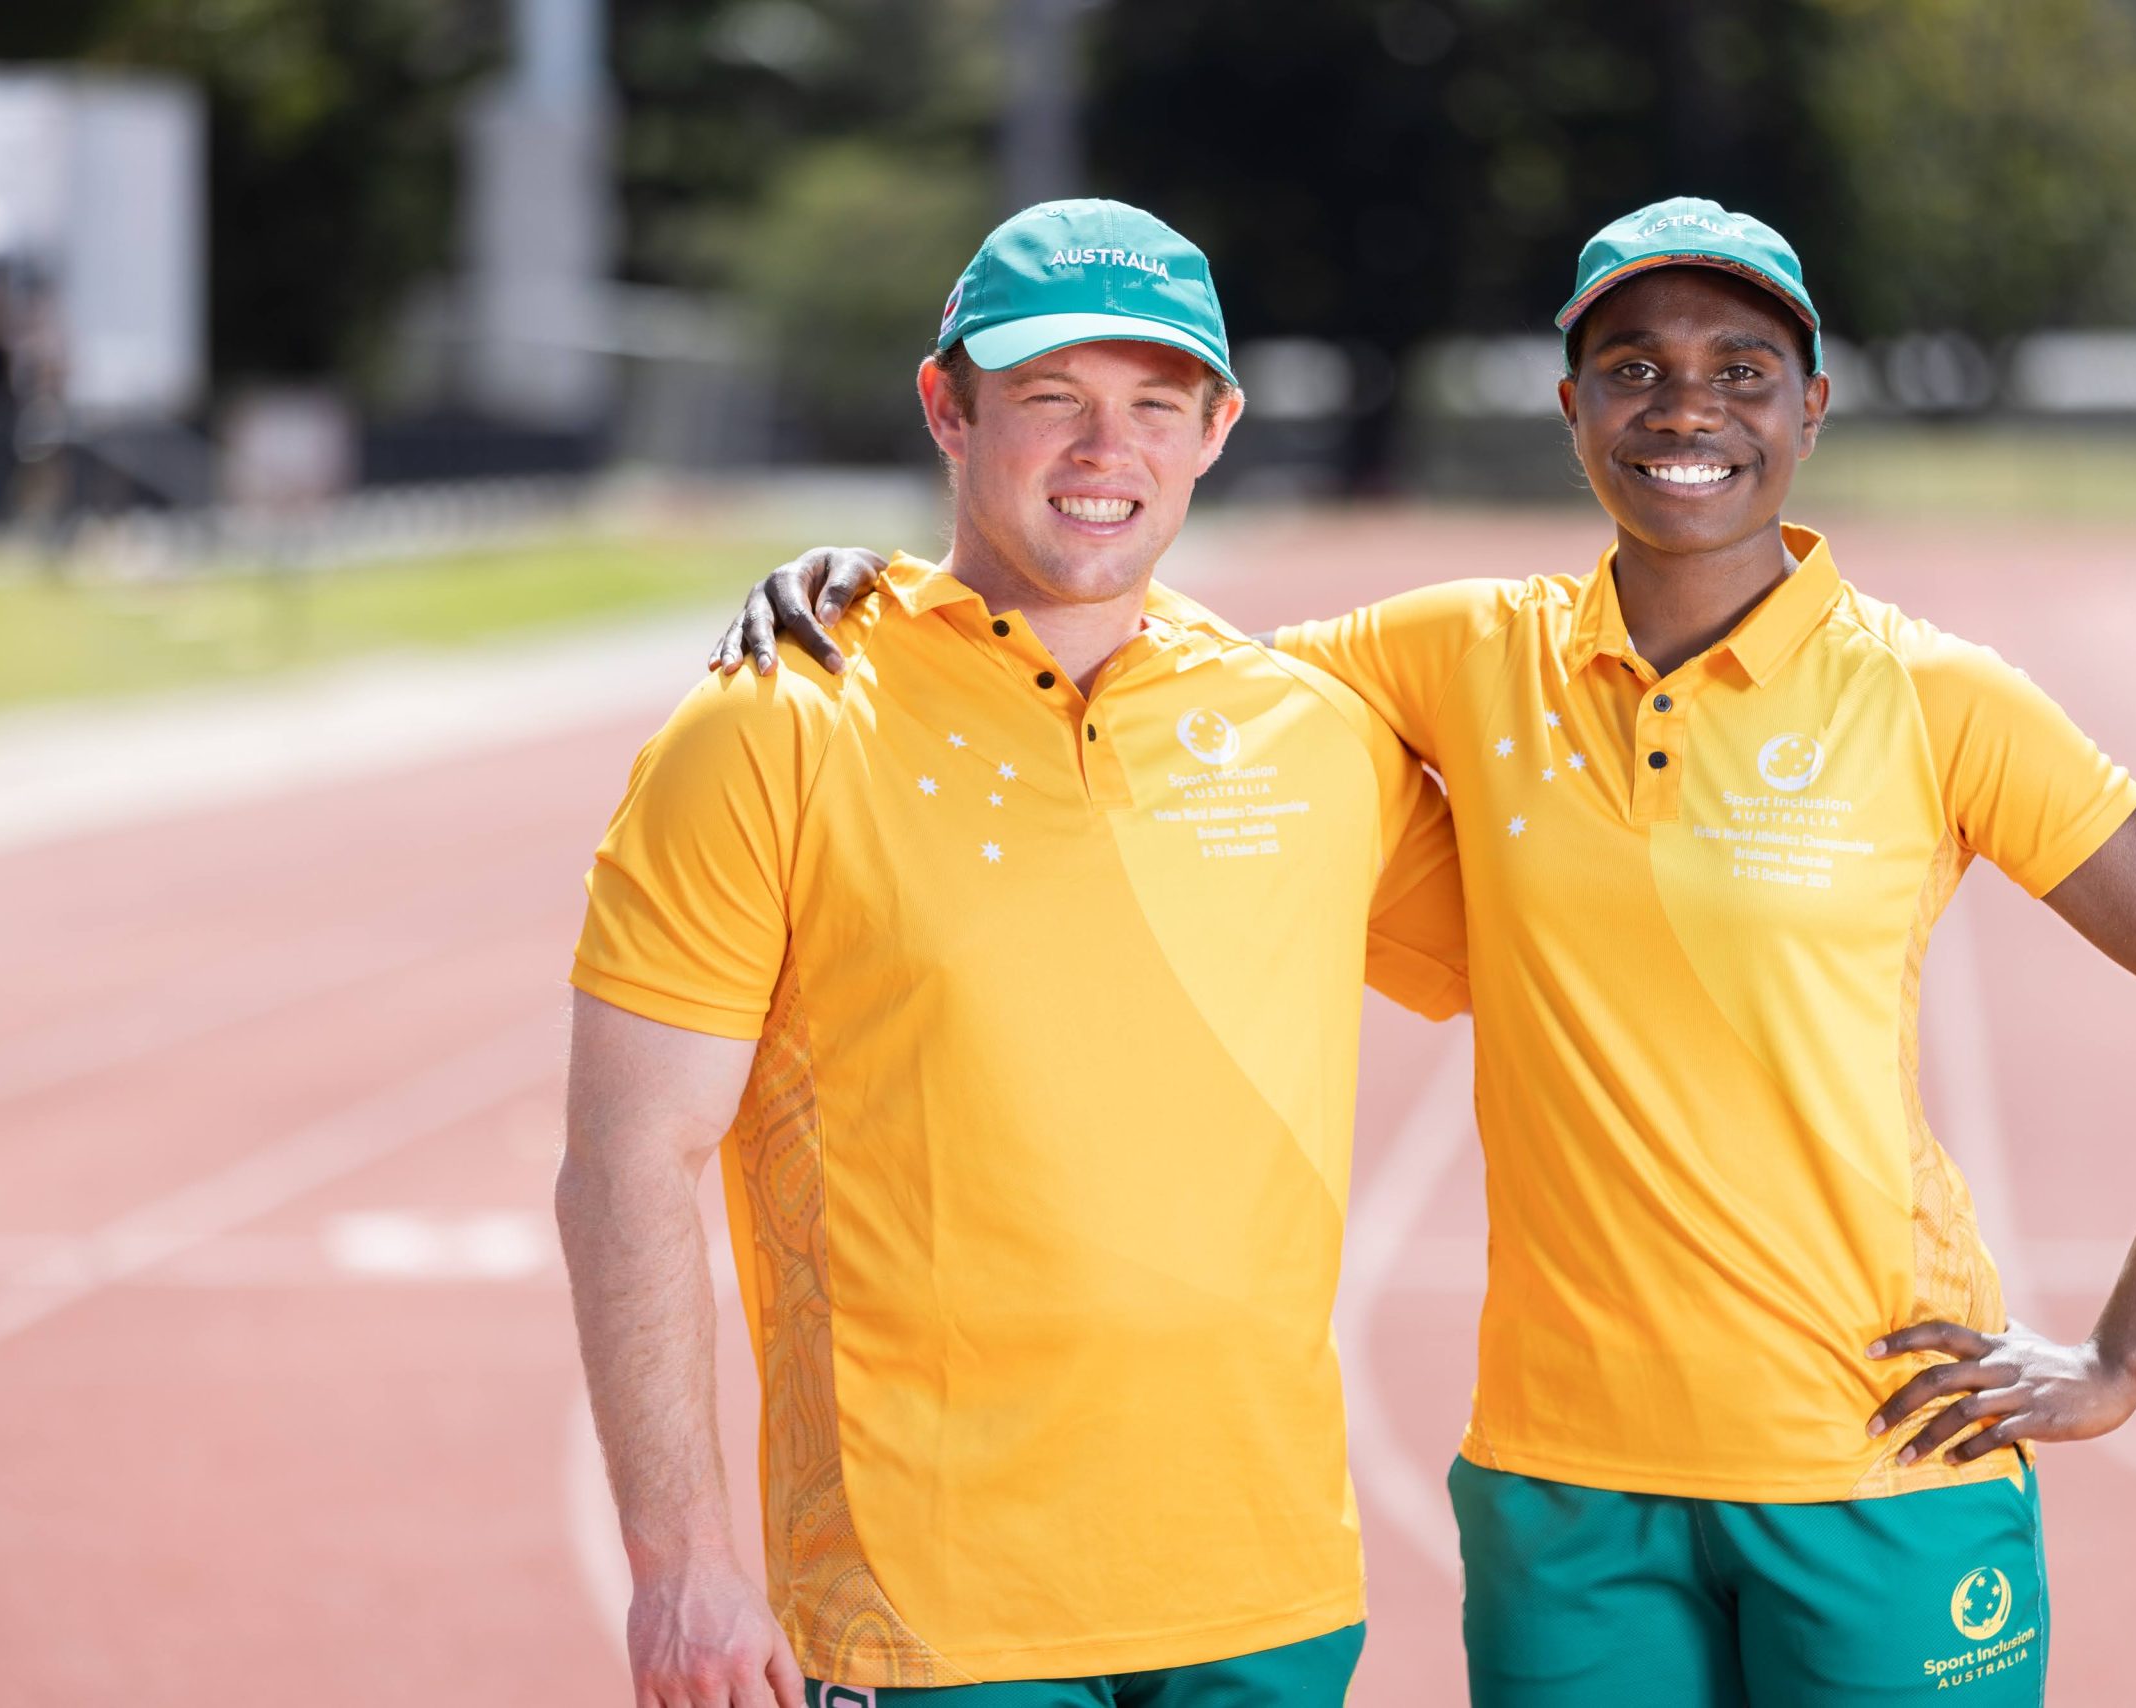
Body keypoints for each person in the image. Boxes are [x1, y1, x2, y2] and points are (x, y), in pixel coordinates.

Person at [714, 197, 2136, 1706]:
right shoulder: (1451, 655)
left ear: (1811, 410)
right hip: (1565, 1487)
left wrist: (2119, 1359)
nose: (1686, 410)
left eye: (1741, 372)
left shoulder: (1940, 700)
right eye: (1635, 371)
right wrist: (886, 599)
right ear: (1572, 411)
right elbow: (1127, 648)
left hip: (1873, 1458)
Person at [559, 198, 1469, 1708]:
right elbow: (628, 1157)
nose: (1104, 453)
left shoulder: (1314, 735)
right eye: (1050, 400)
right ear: (948, 408)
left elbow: (1590, 951)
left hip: (1270, 1597)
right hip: (929, 1619)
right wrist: (678, 1566)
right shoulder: (772, 724)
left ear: (1218, 427)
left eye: (1153, 407)